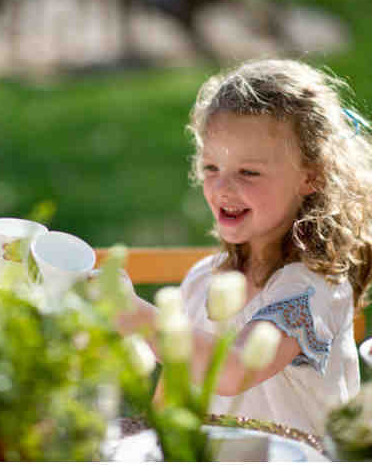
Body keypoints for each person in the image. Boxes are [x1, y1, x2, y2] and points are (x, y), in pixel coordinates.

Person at [118, 59, 372, 436]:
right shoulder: (203, 281)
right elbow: (168, 411)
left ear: (311, 176)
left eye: (248, 172)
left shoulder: (312, 289)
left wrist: (131, 311)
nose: (222, 188)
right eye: (211, 168)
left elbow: (234, 370)